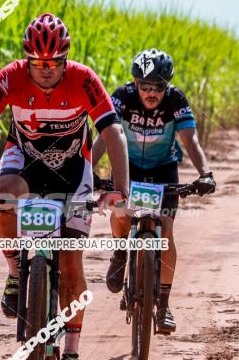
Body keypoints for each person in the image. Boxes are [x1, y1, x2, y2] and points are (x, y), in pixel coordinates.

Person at [0, 13, 129, 360]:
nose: (46, 70)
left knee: (70, 261)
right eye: (38, 63)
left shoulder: (83, 79)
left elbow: (113, 132)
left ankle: (73, 354)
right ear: (27, 60)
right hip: (25, 162)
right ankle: (16, 271)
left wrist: (119, 190)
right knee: (1, 197)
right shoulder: (10, 77)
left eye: (53, 64)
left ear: (65, 60)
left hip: (72, 168)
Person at [91, 48, 215, 334]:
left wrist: (205, 173)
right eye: (144, 86)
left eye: (157, 88)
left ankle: (165, 305)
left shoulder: (176, 100)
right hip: (128, 168)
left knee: (166, 231)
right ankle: (120, 253)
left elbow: (190, 141)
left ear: (166, 86)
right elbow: (103, 139)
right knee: (121, 213)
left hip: (163, 170)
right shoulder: (122, 97)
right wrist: (87, 170)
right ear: (135, 83)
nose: (150, 93)